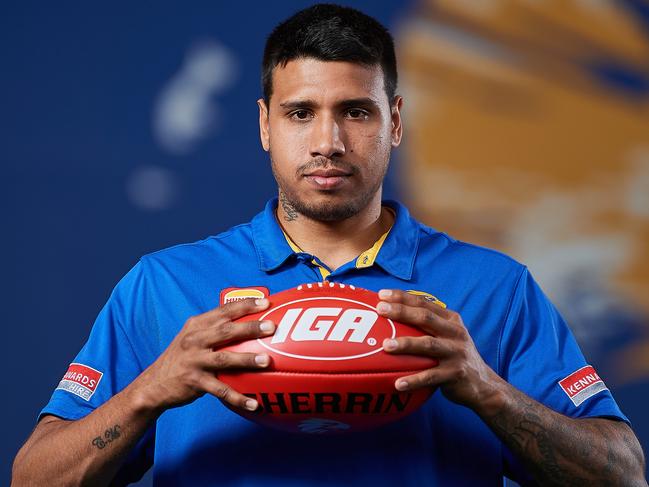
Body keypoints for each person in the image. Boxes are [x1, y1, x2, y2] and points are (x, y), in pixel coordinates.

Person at [12, 4, 647, 486]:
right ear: (264, 124)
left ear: (395, 122)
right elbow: (32, 476)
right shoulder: (164, 285)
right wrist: (154, 386)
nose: (328, 142)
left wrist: (487, 389)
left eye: (356, 111)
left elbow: (624, 473)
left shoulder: (494, 288)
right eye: (299, 113)